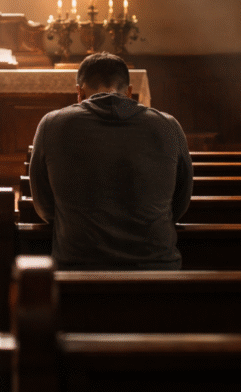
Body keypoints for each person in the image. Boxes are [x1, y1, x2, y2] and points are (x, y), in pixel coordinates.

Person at [29, 52, 192, 270]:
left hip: (78, 267)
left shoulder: (52, 124)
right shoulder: (169, 126)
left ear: (79, 92)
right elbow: (180, 203)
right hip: (156, 268)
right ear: (130, 92)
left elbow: (44, 206)